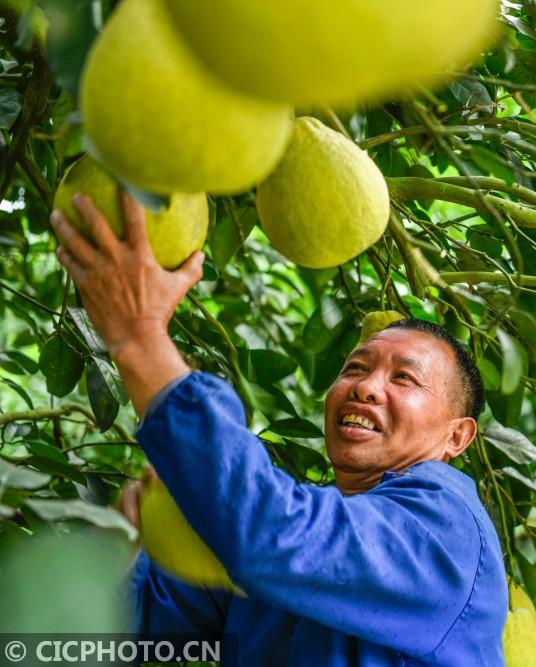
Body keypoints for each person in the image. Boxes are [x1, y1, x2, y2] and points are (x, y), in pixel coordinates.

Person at [49, 190, 507, 665]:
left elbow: (269, 533)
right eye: (354, 368)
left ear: (457, 436)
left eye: (404, 378)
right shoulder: (303, 537)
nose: (365, 388)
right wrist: (119, 543)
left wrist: (140, 337)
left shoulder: (445, 531)